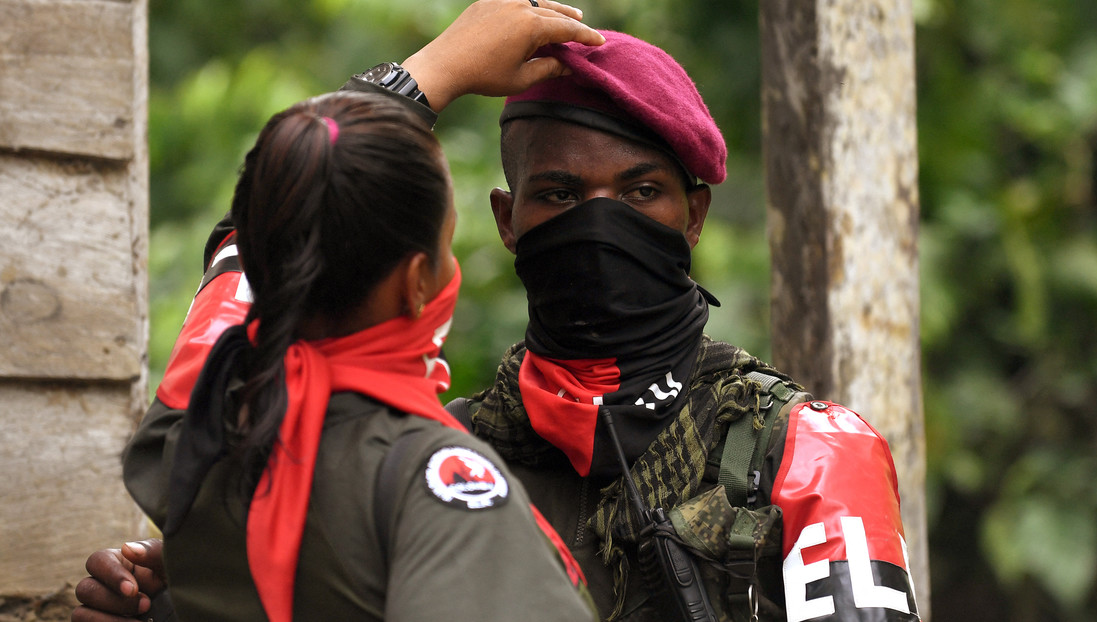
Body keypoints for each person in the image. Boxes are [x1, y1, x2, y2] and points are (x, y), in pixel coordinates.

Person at [74, 2, 923, 621]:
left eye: (640, 192)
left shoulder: (809, 451)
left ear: (693, 215)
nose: (600, 222)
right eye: (559, 193)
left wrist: (424, 75)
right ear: (506, 223)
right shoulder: (431, 458)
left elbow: (271, 234)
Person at [73, 4, 608, 621]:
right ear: (415, 284)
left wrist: (431, 70)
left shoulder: (194, 434)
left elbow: (251, 246)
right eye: (445, 242)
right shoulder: (435, 483)